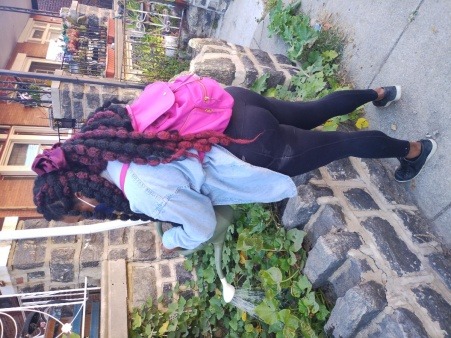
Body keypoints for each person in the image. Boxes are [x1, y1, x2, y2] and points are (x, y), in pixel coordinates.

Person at [32, 83, 437, 251]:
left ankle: (415, 150)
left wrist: (171, 241)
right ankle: (383, 93)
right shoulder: (108, 140)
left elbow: (204, 225)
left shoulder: (141, 190)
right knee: (312, 111)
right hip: (230, 104)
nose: (87, 215)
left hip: (252, 147)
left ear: (81, 195)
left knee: (340, 144)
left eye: (80, 213)